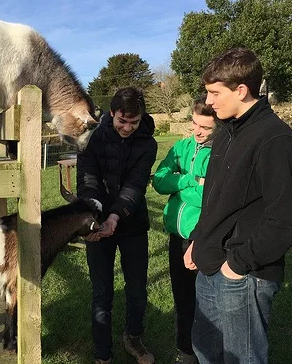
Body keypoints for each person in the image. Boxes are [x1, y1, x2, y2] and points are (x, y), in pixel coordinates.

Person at [185, 47, 292, 364]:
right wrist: (197, 240)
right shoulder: (225, 133)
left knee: (243, 358)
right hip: (208, 264)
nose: (208, 101)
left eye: (214, 93)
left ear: (241, 90)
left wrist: (237, 265)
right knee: (206, 349)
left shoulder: (277, 139)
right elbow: (214, 198)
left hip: (243, 275)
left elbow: (288, 219)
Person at [76, 87, 157, 364]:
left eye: (133, 123)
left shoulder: (148, 143)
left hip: (132, 222)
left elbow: (135, 184)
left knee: (137, 289)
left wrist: (116, 216)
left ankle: (133, 337)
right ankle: (103, 352)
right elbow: (88, 180)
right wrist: (95, 218)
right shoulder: (92, 139)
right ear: (112, 113)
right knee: (102, 292)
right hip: (98, 224)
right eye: (122, 121)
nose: (127, 128)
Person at [153, 95, 217, 364]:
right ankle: (185, 351)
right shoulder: (180, 147)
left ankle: (208, 353)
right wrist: (191, 181)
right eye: (194, 124)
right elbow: (158, 181)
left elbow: (212, 197)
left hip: (202, 234)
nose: (197, 132)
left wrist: (179, 187)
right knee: (182, 296)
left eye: (206, 127)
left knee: (206, 298)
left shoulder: (221, 153)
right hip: (175, 234)